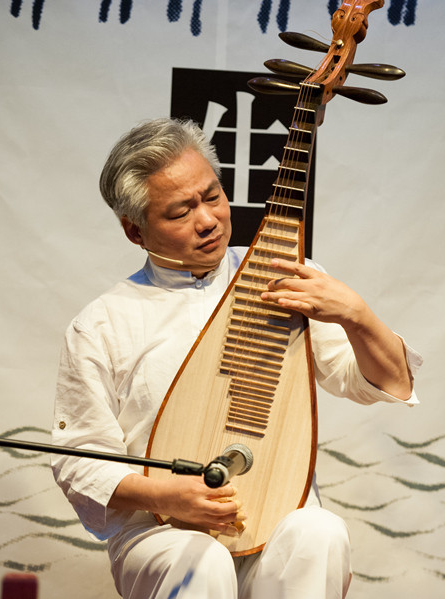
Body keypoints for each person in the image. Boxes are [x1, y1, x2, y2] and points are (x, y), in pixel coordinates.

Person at [51, 118, 421, 599]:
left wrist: (355, 315)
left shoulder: (285, 275)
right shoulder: (103, 324)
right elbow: (79, 460)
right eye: (180, 211)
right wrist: (169, 495)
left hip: (278, 514)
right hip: (162, 535)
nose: (207, 219)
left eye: (212, 196)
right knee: (201, 560)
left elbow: (390, 385)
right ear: (134, 231)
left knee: (320, 532)